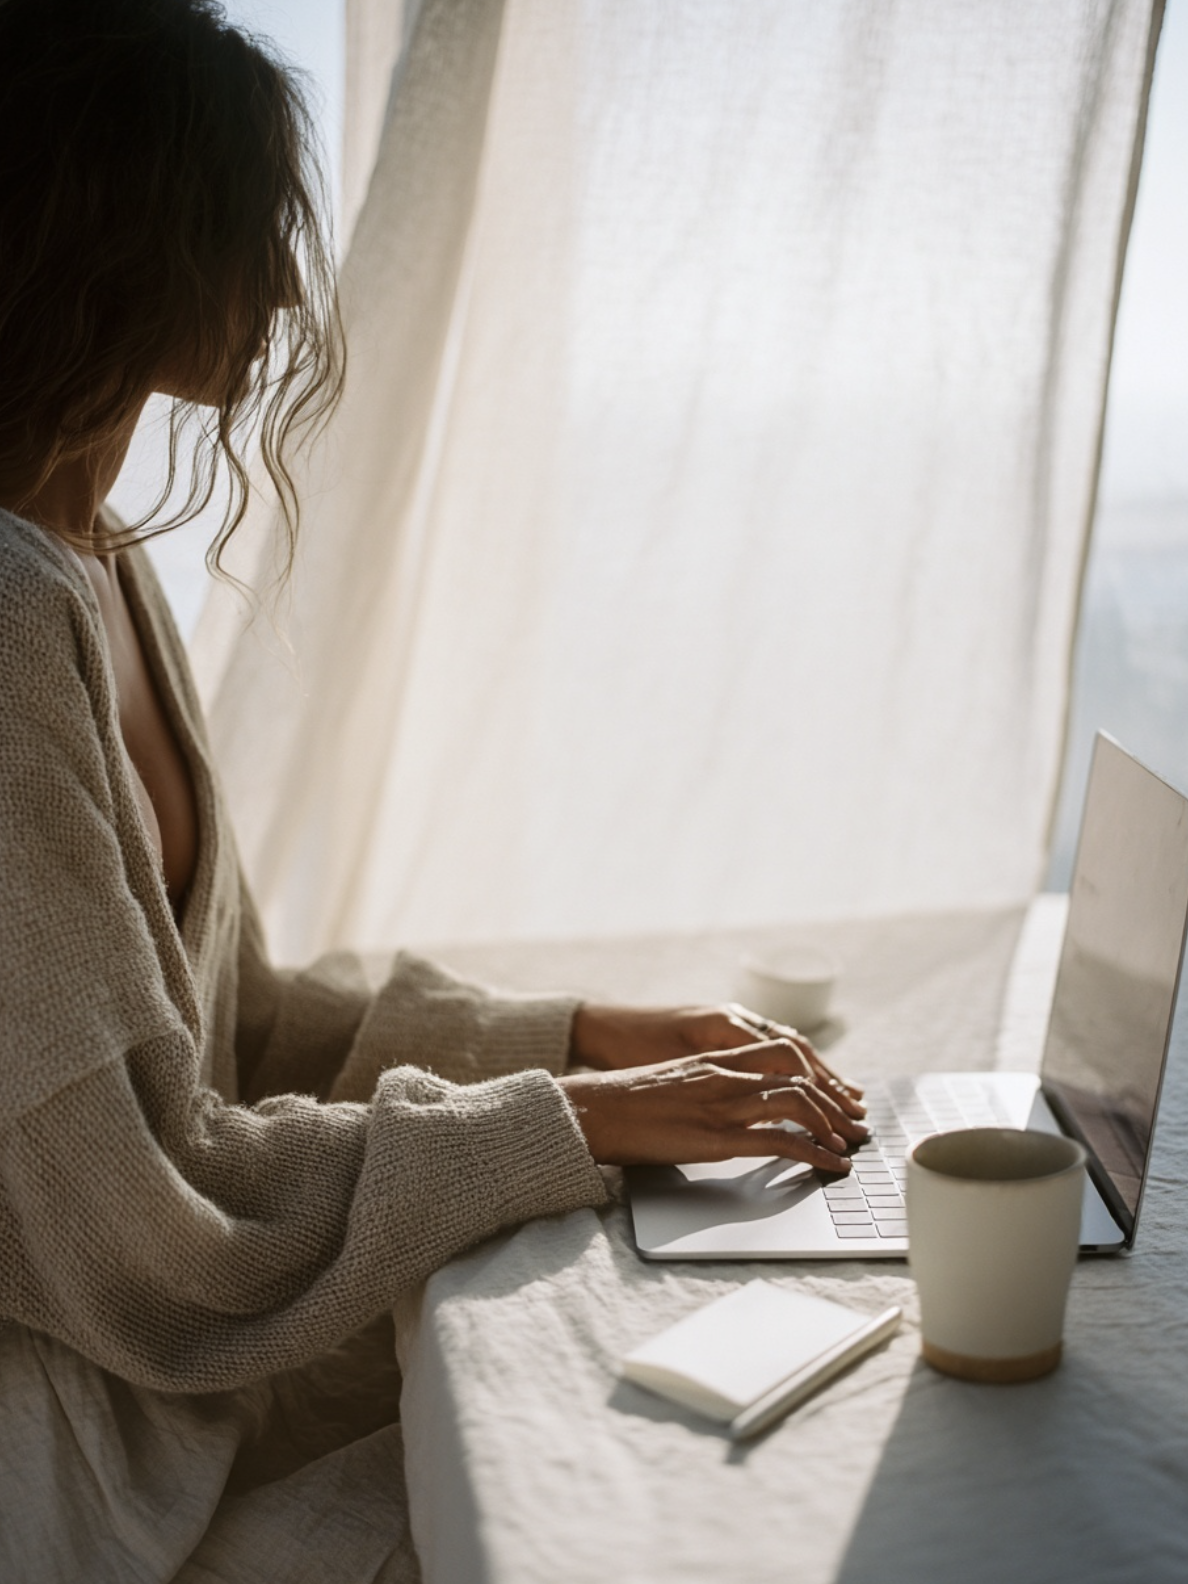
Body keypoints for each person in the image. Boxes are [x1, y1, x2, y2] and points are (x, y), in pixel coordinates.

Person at [0, 2, 868, 1578]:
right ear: (117, 227)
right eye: (246, 223)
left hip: (171, 1386)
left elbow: (238, 1027)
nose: (280, 283)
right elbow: (147, 1222)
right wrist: (574, 1118)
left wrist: (586, 1033)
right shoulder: (4, 620)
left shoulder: (101, 563)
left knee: (636, 1428)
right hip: (80, 1469)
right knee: (608, 1496)